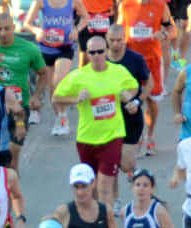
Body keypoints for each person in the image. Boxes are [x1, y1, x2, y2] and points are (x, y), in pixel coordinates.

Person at [52, 36, 140, 205]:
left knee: (105, 187)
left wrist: (129, 95)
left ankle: (107, 220)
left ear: (106, 51)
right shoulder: (78, 76)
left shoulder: (118, 71)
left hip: (112, 136)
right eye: (92, 52)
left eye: (100, 51)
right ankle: (96, 219)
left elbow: (133, 86)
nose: (97, 55)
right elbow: (56, 97)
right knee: (91, 188)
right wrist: (76, 99)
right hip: (87, 138)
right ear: (88, 54)